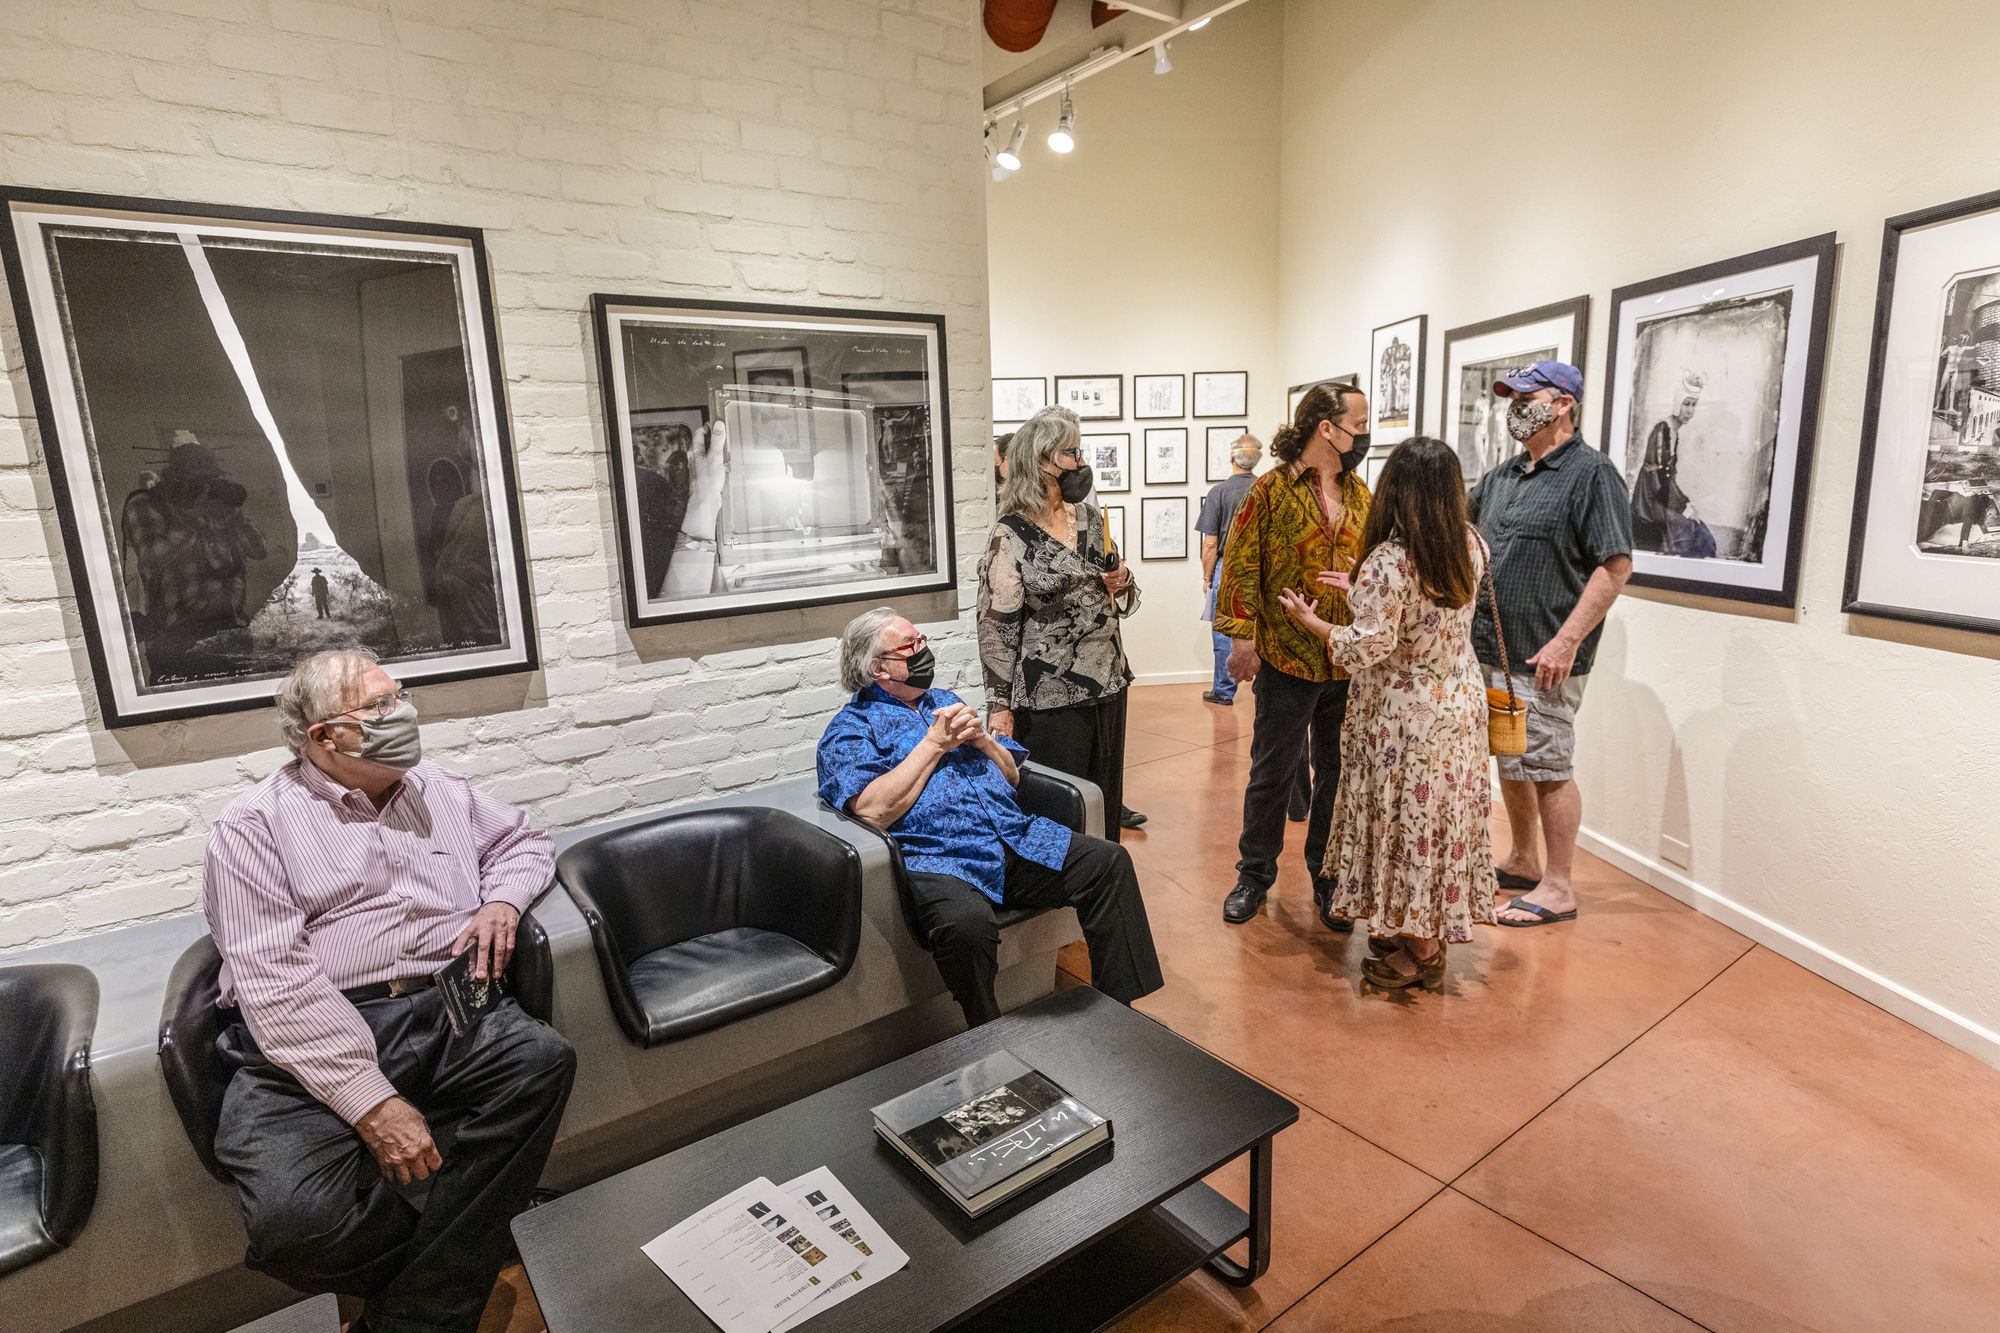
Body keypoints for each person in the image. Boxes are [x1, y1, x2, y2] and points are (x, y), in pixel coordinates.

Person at [201, 649, 576, 1333]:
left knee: (541, 1060)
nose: (402, 712)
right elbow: (275, 981)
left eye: (400, 695)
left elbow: (525, 841)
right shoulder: (253, 825)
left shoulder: (438, 785)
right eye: (378, 706)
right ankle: (473, 1241)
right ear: (325, 737)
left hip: (447, 1002)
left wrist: (504, 903)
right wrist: (372, 1101)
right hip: (317, 1025)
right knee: (291, 1226)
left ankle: (414, 1316)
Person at [817, 609, 1164, 1028]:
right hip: (939, 859)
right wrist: (933, 745)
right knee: (965, 927)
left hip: (1013, 837)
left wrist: (983, 739)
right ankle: (987, 1031)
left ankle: (1119, 1010)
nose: (924, 651)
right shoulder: (850, 729)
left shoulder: (944, 700)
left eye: (923, 639)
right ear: (878, 668)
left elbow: (1013, 775)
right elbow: (872, 809)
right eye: (911, 646)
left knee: (1108, 862)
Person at [1279, 437, 1497, 990]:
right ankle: (1419, 927)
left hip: (1403, 718)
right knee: (1438, 826)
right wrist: (1363, 587)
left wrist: (1315, 622)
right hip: (1457, 707)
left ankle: (1422, 951)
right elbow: (1428, 611)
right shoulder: (1470, 544)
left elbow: (1364, 648)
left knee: (1404, 824)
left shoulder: (1390, 560)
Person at [1471, 360, 1633, 927]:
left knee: (1547, 764)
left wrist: (1566, 642)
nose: (1514, 407)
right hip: (1491, 648)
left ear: (1563, 402)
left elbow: (1614, 567)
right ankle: (1521, 858)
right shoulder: (1501, 478)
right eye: (1509, 398)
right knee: (1512, 759)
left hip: (1545, 657)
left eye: (1526, 396)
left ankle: (1559, 885)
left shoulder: (1593, 474)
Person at [1213, 382, 1374, 926]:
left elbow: (1377, 567)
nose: (1366, 433)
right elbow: (1238, 564)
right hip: (1287, 656)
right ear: (1326, 428)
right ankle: (1254, 874)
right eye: (1359, 422)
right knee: (1273, 772)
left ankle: (1327, 879)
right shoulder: (1269, 491)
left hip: (1346, 659)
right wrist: (1242, 637)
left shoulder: (1363, 495)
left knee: (1336, 772)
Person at [979, 408, 1141, 838]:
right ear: (1041, 461)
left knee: (1105, 798)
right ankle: (1060, 895)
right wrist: (1000, 706)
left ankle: (1103, 881)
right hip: (1049, 696)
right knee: (1060, 808)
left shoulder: (1088, 517)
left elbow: (1121, 585)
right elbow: (996, 626)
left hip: (1108, 681)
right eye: (1072, 452)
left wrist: (1121, 580)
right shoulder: (1009, 534)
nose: (1081, 463)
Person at [1196, 433, 1261, 706]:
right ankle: (1264, 689)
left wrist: (1207, 576)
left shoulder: (1219, 492)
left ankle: (1224, 691)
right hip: (1263, 569)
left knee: (1224, 631)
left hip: (1229, 567)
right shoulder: (1266, 490)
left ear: (1232, 457)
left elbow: (1210, 544)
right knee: (1265, 630)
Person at [1630, 370, 1716, 558]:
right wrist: (1683, 508)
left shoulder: (1674, 433)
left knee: (1703, 531)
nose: (1689, 411)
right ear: (1677, 403)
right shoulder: (1662, 431)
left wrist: (1687, 503)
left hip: (1663, 498)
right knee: (1689, 529)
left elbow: (1670, 479)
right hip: (1650, 504)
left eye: (1694, 405)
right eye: (1686, 404)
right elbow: (1658, 483)